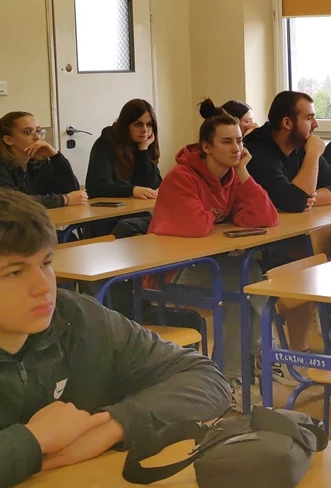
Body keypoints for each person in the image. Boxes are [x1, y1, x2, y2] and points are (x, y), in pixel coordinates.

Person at [0, 189, 231, 487]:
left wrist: (114, 425)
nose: (43, 287)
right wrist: (32, 440)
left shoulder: (79, 319)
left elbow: (208, 379)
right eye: (15, 272)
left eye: (46, 264)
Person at [147, 99, 279, 386]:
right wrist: (226, 217)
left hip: (210, 265)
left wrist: (243, 174)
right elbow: (197, 225)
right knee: (238, 288)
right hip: (171, 271)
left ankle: (252, 361)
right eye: (227, 142)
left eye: (240, 141)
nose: (236, 149)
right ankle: (228, 377)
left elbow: (266, 217)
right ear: (207, 147)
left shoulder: (233, 176)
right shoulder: (181, 177)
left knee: (254, 278)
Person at [244, 91, 331, 212]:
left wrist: (310, 200)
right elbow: (294, 201)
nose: (316, 124)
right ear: (287, 123)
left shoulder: (301, 145)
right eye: (309, 118)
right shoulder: (255, 151)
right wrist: (313, 155)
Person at [86, 99, 162, 237]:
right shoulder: (105, 143)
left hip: (137, 214)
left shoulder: (144, 145)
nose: (145, 130)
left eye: (149, 124)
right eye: (138, 124)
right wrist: (132, 190)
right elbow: (97, 186)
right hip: (109, 218)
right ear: (125, 125)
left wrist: (143, 150)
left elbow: (151, 185)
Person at [0, 111, 86, 209]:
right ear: (8, 140)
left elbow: (72, 191)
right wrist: (64, 199)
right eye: (27, 132)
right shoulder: (2, 165)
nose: (37, 137)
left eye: (38, 131)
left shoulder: (39, 161)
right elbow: (12, 202)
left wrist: (55, 156)